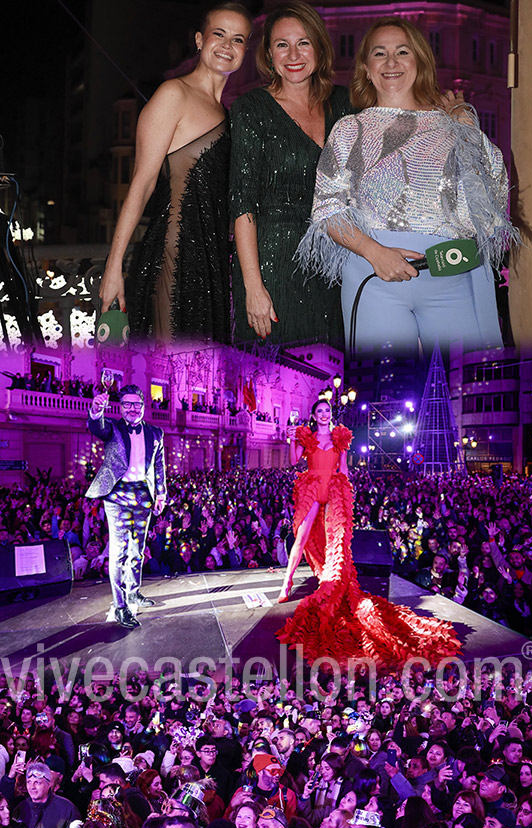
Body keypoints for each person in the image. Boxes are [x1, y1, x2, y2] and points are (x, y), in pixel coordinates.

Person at [299, 17, 517, 356]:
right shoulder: (349, 129)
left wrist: (466, 126)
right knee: (384, 387)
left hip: (450, 274)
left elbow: (491, 202)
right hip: (374, 277)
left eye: (402, 51)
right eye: (379, 53)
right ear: (367, 69)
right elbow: (328, 211)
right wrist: (376, 253)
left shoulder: (453, 126)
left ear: (420, 63)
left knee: (464, 384)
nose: (391, 62)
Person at [99, 4, 252, 340]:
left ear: (245, 50)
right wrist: (113, 268)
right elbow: (141, 185)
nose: (228, 45)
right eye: (219, 34)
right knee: (166, 378)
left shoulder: (226, 113)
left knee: (197, 384)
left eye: (238, 39)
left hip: (209, 265)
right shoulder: (173, 94)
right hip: (170, 256)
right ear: (199, 40)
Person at [276, 399, 461, 669]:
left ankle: (330, 580)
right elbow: (294, 461)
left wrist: (350, 493)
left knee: (336, 540)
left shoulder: (340, 435)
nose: (324, 414)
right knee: (302, 535)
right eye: (320, 411)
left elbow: (345, 467)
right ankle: (287, 582)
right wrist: (290, 439)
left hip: (336, 487)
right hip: (312, 485)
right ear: (314, 416)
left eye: (327, 410)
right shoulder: (307, 435)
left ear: (330, 414)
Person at [229, 1, 350, 344]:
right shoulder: (251, 108)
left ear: (320, 48)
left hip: (335, 262)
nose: (293, 54)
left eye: (304, 42)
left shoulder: (345, 103)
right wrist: (253, 286)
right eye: (282, 44)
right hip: (273, 265)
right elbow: (243, 201)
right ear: (269, 54)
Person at [86, 385, 166, 628]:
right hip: (117, 496)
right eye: (127, 404)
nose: (132, 409)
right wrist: (96, 410)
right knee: (119, 552)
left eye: (137, 404)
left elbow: (159, 466)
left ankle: (133, 592)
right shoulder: (113, 428)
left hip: (143, 495)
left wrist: (160, 494)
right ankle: (121, 606)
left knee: (137, 550)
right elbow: (96, 427)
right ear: (120, 408)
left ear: (143, 405)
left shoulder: (156, 433)